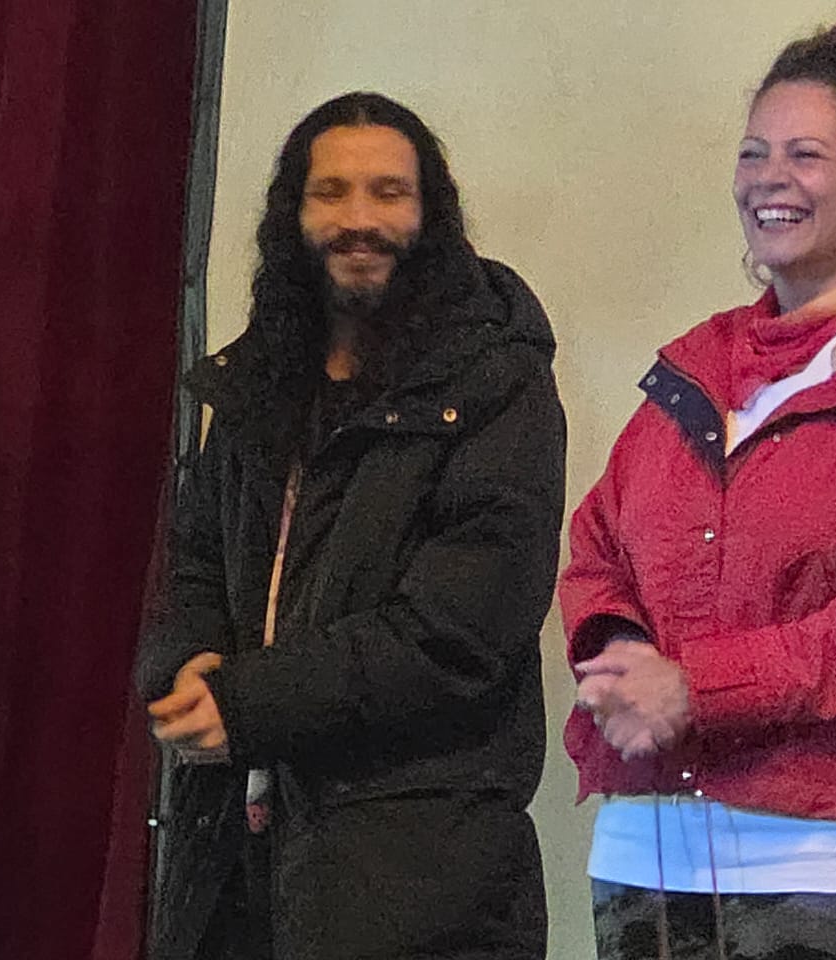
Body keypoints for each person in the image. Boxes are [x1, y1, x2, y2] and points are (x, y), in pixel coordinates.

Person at [561, 26, 836, 960]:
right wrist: (624, 655)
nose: (770, 178)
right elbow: (599, 545)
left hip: (828, 868)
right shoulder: (697, 365)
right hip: (645, 856)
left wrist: (697, 688)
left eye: (805, 154)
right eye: (753, 153)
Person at [136, 92, 565, 960]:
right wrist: (185, 663)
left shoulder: (498, 383)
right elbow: (195, 563)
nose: (358, 219)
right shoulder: (261, 379)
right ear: (291, 215)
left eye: (388, 192)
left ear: (431, 213)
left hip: (418, 881)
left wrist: (247, 704)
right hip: (234, 865)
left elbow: (457, 634)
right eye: (330, 192)